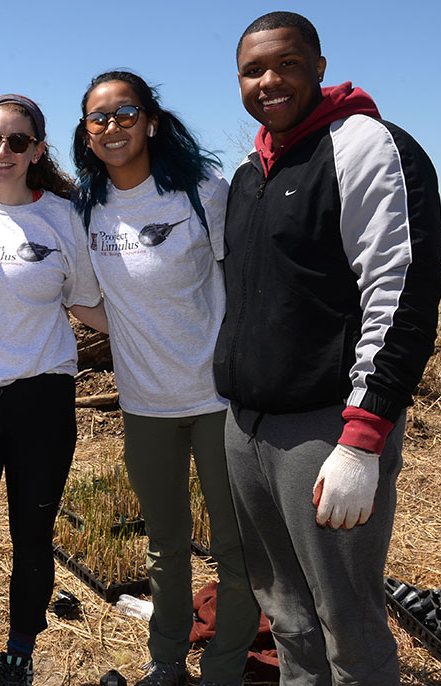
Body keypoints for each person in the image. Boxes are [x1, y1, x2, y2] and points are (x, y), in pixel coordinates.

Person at [216, 11, 441, 685]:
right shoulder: (249, 174)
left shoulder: (367, 147)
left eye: (287, 64)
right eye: (253, 70)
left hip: (324, 429)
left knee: (348, 620)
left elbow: (400, 293)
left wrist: (363, 438)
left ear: (318, 67)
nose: (269, 81)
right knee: (285, 611)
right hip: (247, 427)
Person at [71, 71, 260, 686]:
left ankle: (225, 669)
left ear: (151, 122)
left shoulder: (202, 193)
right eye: (99, 118)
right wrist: (125, 326)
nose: (112, 126)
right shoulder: (86, 209)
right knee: (165, 544)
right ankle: (168, 662)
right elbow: (87, 298)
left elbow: (241, 280)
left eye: (126, 113)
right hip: (144, 403)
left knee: (234, 546)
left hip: (216, 399)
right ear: (86, 133)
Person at [0, 94, 103, 686]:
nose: (2, 151)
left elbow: (85, 303)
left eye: (17, 141)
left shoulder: (64, 218)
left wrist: (162, 331)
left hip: (42, 400)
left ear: (38, 150)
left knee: (33, 538)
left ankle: (20, 651)